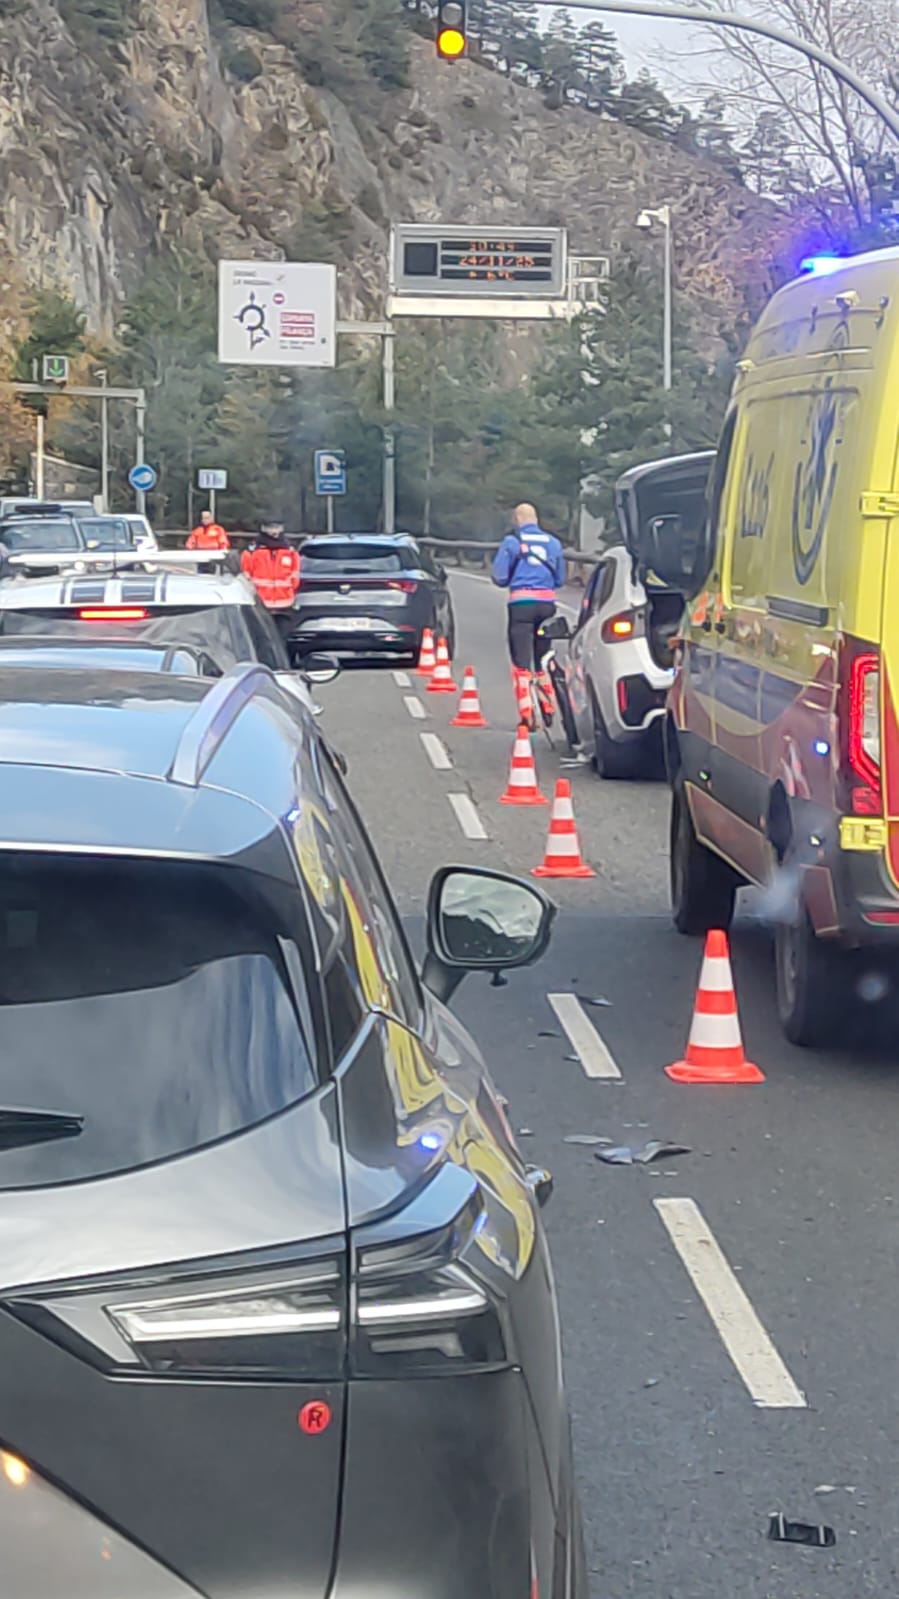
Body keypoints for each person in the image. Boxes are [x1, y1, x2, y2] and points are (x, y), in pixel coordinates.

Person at [491, 502, 566, 725]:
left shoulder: (512, 542)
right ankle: (548, 704)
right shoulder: (554, 543)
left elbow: (499, 577)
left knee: (521, 661)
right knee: (542, 655)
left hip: (521, 604)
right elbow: (560, 579)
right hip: (547, 605)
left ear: (517, 519)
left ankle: (527, 713)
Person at [241, 518, 301, 646]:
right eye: (270, 528)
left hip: (284, 604)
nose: (274, 531)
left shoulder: (290, 550)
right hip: (261, 603)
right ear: (263, 529)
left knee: (282, 640)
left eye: (277, 527)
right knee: (261, 640)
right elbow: (246, 574)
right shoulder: (253, 550)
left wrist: (290, 591)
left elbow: (295, 573)